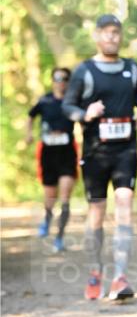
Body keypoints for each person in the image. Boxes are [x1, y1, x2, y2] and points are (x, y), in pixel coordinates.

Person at [62, 14, 137, 301]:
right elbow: (68, 105)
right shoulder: (84, 71)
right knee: (97, 213)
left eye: (116, 33)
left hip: (126, 150)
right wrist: (84, 114)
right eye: (107, 33)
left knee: (124, 204)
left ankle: (120, 276)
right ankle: (95, 271)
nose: (112, 37)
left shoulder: (132, 68)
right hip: (95, 152)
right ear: (98, 36)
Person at [26, 66, 78, 252]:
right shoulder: (45, 100)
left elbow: (85, 119)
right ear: (52, 80)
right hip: (48, 153)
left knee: (65, 198)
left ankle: (59, 238)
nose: (61, 81)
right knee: (50, 196)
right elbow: (30, 116)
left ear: (69, 81)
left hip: (67, 153)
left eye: (65, 78)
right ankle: (47, 218)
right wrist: (29, 134)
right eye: (57, 78)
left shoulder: (73, 101)